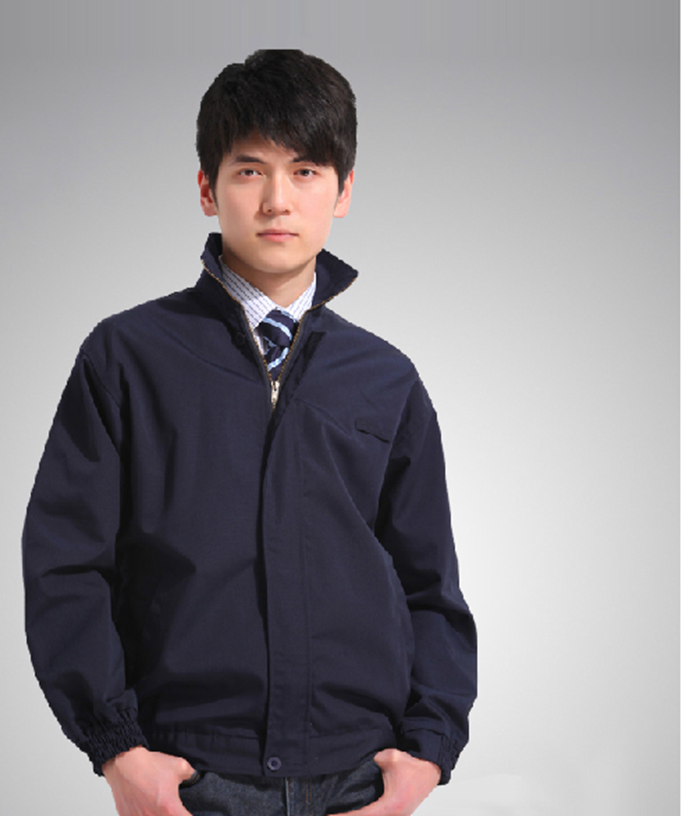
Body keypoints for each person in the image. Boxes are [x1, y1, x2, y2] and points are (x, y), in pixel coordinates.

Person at [23, 49, 476, 816]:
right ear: (208, 188)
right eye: (249, 170)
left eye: (305, 171)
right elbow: (66, 564)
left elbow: (429, 586)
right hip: (192, 774)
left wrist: (429, 749)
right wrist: (118, 749)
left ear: (344, 191)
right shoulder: (127, 357)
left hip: (357, 775)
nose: (276, 201)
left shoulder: (386, 379)